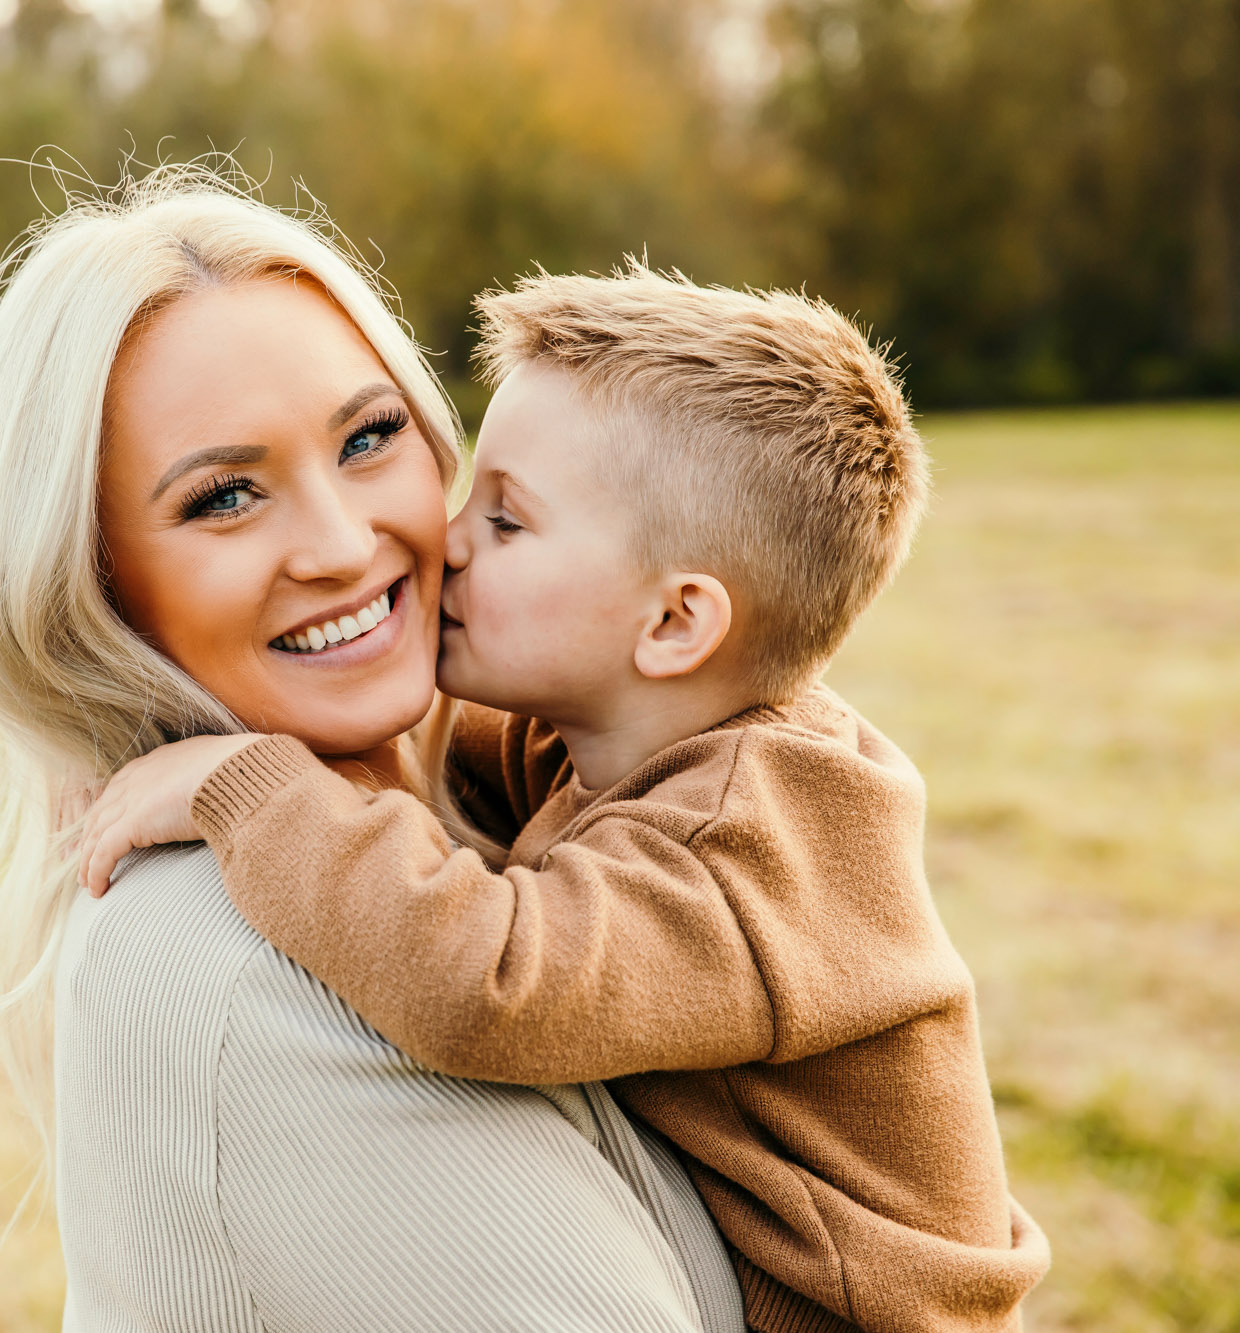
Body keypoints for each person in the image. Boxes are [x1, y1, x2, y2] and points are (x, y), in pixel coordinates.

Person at [0, 168, 747, 1331]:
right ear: (90, 587)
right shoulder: (247, 966)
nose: (341, 541)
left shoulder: (466, 812)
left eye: (369, 437)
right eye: (223, 498)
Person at [77, 267, 1052, 1332]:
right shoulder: (638, 729)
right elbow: (462, 756)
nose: (443, 540)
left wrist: (247, 792)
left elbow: (486, 980)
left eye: (505, 522)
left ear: (674, 623)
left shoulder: (742, 840)